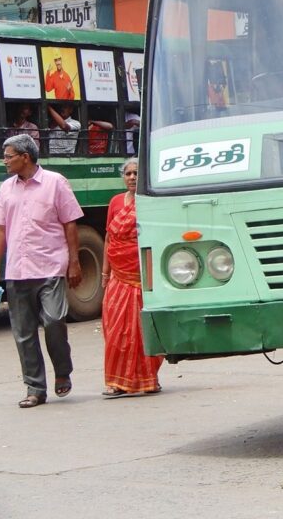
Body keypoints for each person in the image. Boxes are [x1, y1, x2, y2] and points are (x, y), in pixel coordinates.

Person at [0, 134, 83, 408]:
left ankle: (62, 370)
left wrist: (75, 262)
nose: (5, 161)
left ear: (25, 156)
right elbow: (0, 229)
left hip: (50, 265)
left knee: (55, 321)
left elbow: (70, 223)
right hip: (17, 269)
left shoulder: (55, 182)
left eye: (9, 156)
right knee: (23, 333)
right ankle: (35, 388)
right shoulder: (5, 188)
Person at [102, 158, 163, 397]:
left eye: (136, 173)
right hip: (118, 277)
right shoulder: (116, 202)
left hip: (140, 277)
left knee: (141, 330)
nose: (132, 177)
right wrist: (105, 273)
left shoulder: (150, 201)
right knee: (115, 330)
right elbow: (109, 238)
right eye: (128, 173)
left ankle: (149, 380)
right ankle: (117, 382)